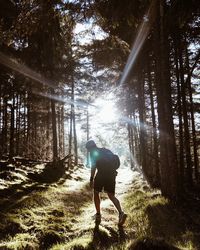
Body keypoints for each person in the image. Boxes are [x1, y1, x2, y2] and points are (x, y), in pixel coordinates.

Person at [86, 139, 127, 226]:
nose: (88, 151)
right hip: (112, 175)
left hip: (101, 174)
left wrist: (91, 179)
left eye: (88, 149)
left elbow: (93, 167)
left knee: (96, 193)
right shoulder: (106, 150)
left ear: (90, 148)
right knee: (111, 196)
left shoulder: (93, 153)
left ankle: (98, 215)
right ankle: (121, 213)